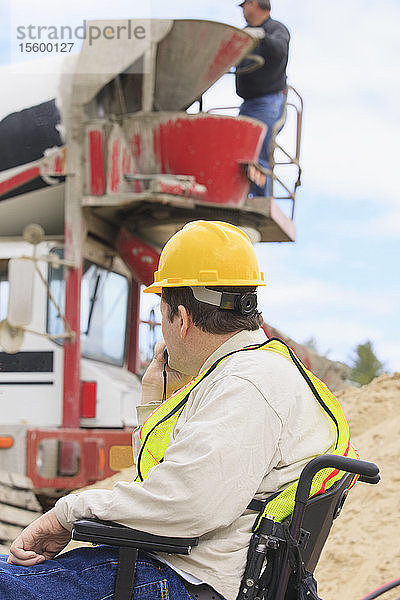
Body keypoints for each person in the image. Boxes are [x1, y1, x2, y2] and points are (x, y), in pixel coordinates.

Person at [0, 221, 355, 600]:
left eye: (162, 314)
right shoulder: (250, 372)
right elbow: (166, 482)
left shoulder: (246, 384)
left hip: (183, 579)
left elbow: (184, 504)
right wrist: (156, 400)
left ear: (182, 320)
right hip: (181, 569)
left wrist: (65, 512)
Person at [236, 0, 290, 197]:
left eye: (246, 4)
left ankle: (259, 199)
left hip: (268, 102)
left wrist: (262, 37)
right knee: (241, 150)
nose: (243, 10)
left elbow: (280, 48)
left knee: (257, 151)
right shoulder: (245, 34)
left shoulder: (276, 29)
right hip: (249, 104)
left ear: (255, 4)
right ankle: (243, 195)